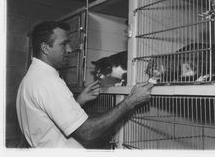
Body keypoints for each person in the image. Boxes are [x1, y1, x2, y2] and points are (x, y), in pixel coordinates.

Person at [16, 21, 153, 148]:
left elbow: (49, 121)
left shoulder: (32, 77)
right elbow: (87, 132)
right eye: (64, 44)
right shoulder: (47, 81)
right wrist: (130, 101)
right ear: (45, 48)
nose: (69, 49)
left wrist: (79, 101)